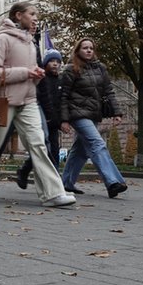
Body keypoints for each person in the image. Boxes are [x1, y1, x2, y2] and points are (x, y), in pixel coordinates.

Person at [0, 1, 75, 208]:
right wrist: (26, 73)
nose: (36, 18)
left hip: (28, 101)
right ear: (18, 16)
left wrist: (36, 75)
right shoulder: (3, 39)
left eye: (36, 14)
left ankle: (52, 193)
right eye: (32, 14)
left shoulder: (30, 42)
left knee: (38, 144)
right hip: (5, 101)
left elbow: (27, 72)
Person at [59, 37, 127, 198]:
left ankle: (66, 183)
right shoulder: (71, 69)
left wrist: (117, 112)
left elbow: (108, 91)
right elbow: (63, 96)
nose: (89, 50)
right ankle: (113, 182)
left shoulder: (100, 68)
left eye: (91, 48)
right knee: (97, 143)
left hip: (94, 114)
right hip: (78, 114)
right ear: (78, 51)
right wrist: (64, 120)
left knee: (80, 150)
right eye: (85, 48)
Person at [16, 48, 67, 190]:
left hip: (54, 121)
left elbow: (62, 102)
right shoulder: (42, 80)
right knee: (43, 147)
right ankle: (30, 172)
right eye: (52, 61)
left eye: (58, 61)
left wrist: (62, 120)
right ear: (45, 63)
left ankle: (55, 180)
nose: (55, 64)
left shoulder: (61, 81)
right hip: (41, 118)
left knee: (54, 150)